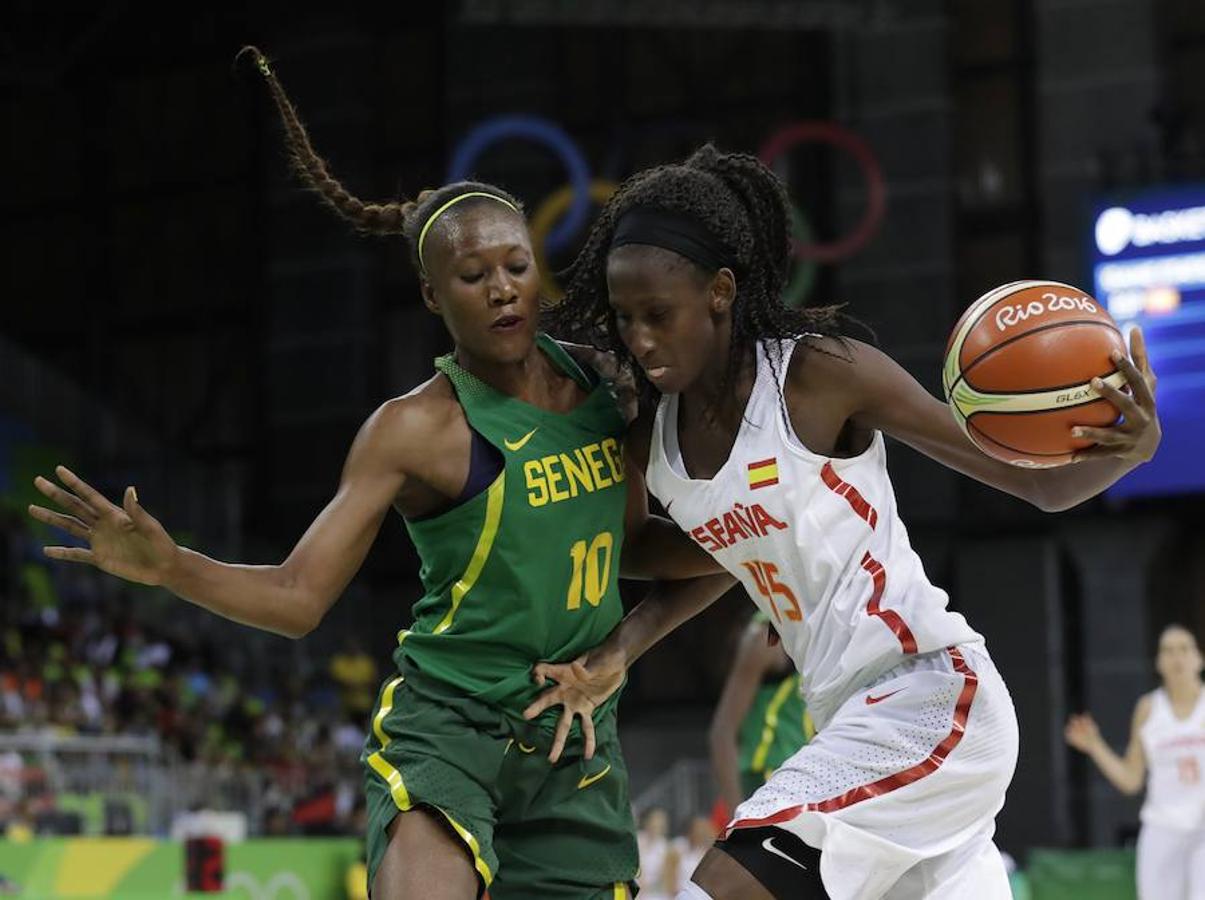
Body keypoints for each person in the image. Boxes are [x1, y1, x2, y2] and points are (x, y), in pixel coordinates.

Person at [26, 49, 730, 900]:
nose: (502, 289)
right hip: (450, 732)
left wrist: (744, 544)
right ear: (434, 298)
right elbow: (298, 597)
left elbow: (632, 547)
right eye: (473, 277)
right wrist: (172, 567)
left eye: (514, 265)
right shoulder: (414, 430)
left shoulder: (603, 388)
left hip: (572, 743)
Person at [526, 143, 1162, 899]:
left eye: (659, 314)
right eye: (624, 318)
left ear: (721, 292)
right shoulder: (654, 440)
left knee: (720, 886)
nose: (639, 338)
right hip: (846, 720)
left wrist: (1135, 449)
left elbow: (1038, 489)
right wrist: (619, 649)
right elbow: (688, 554)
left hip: (927, 696)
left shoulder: (817, 377)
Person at [1065, 624, 1205, 900]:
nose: (1177, 657)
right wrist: (1095, 746)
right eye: (1168, 650)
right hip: (1162, 827)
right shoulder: (1148, 709)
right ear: (1158, 662)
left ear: (1199, 658)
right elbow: (1131, 780)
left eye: (1184, 649)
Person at [709, 612, 812, 818]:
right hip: (766, 778)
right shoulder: (765, 637)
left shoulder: (817, 625)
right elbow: (722, 732)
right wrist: (736, 817)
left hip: (804, 776)